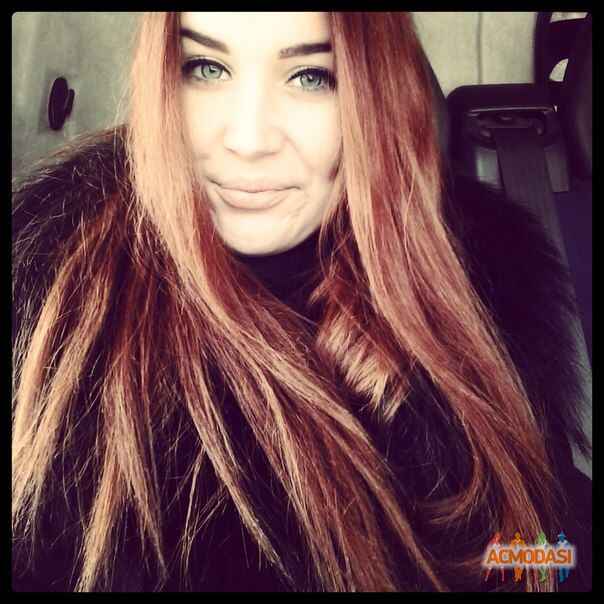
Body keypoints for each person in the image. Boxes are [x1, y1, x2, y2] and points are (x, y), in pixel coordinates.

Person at [12, 12, 592, 592]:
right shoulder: (54, 296)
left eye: (311, 77)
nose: (248, 141)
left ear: (375, 98)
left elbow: (544, 552)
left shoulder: (484, 287)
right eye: (206, 67)